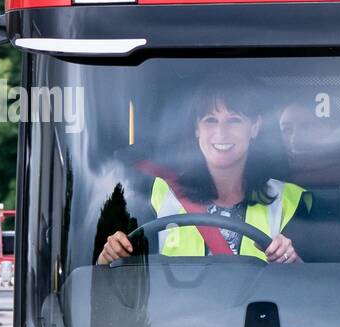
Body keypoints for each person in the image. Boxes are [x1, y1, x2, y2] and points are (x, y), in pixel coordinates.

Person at [98, 90, 307, 264]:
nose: (221, 132)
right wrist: (109, 257)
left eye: (234, 120)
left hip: (257, 314)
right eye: (210, 120)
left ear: (255, 127)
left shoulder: (290, 200)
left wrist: (292, 261)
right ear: (197, 129)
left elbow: (312, 291)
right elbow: (121, 287)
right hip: (171, 315)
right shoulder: (155, 193)